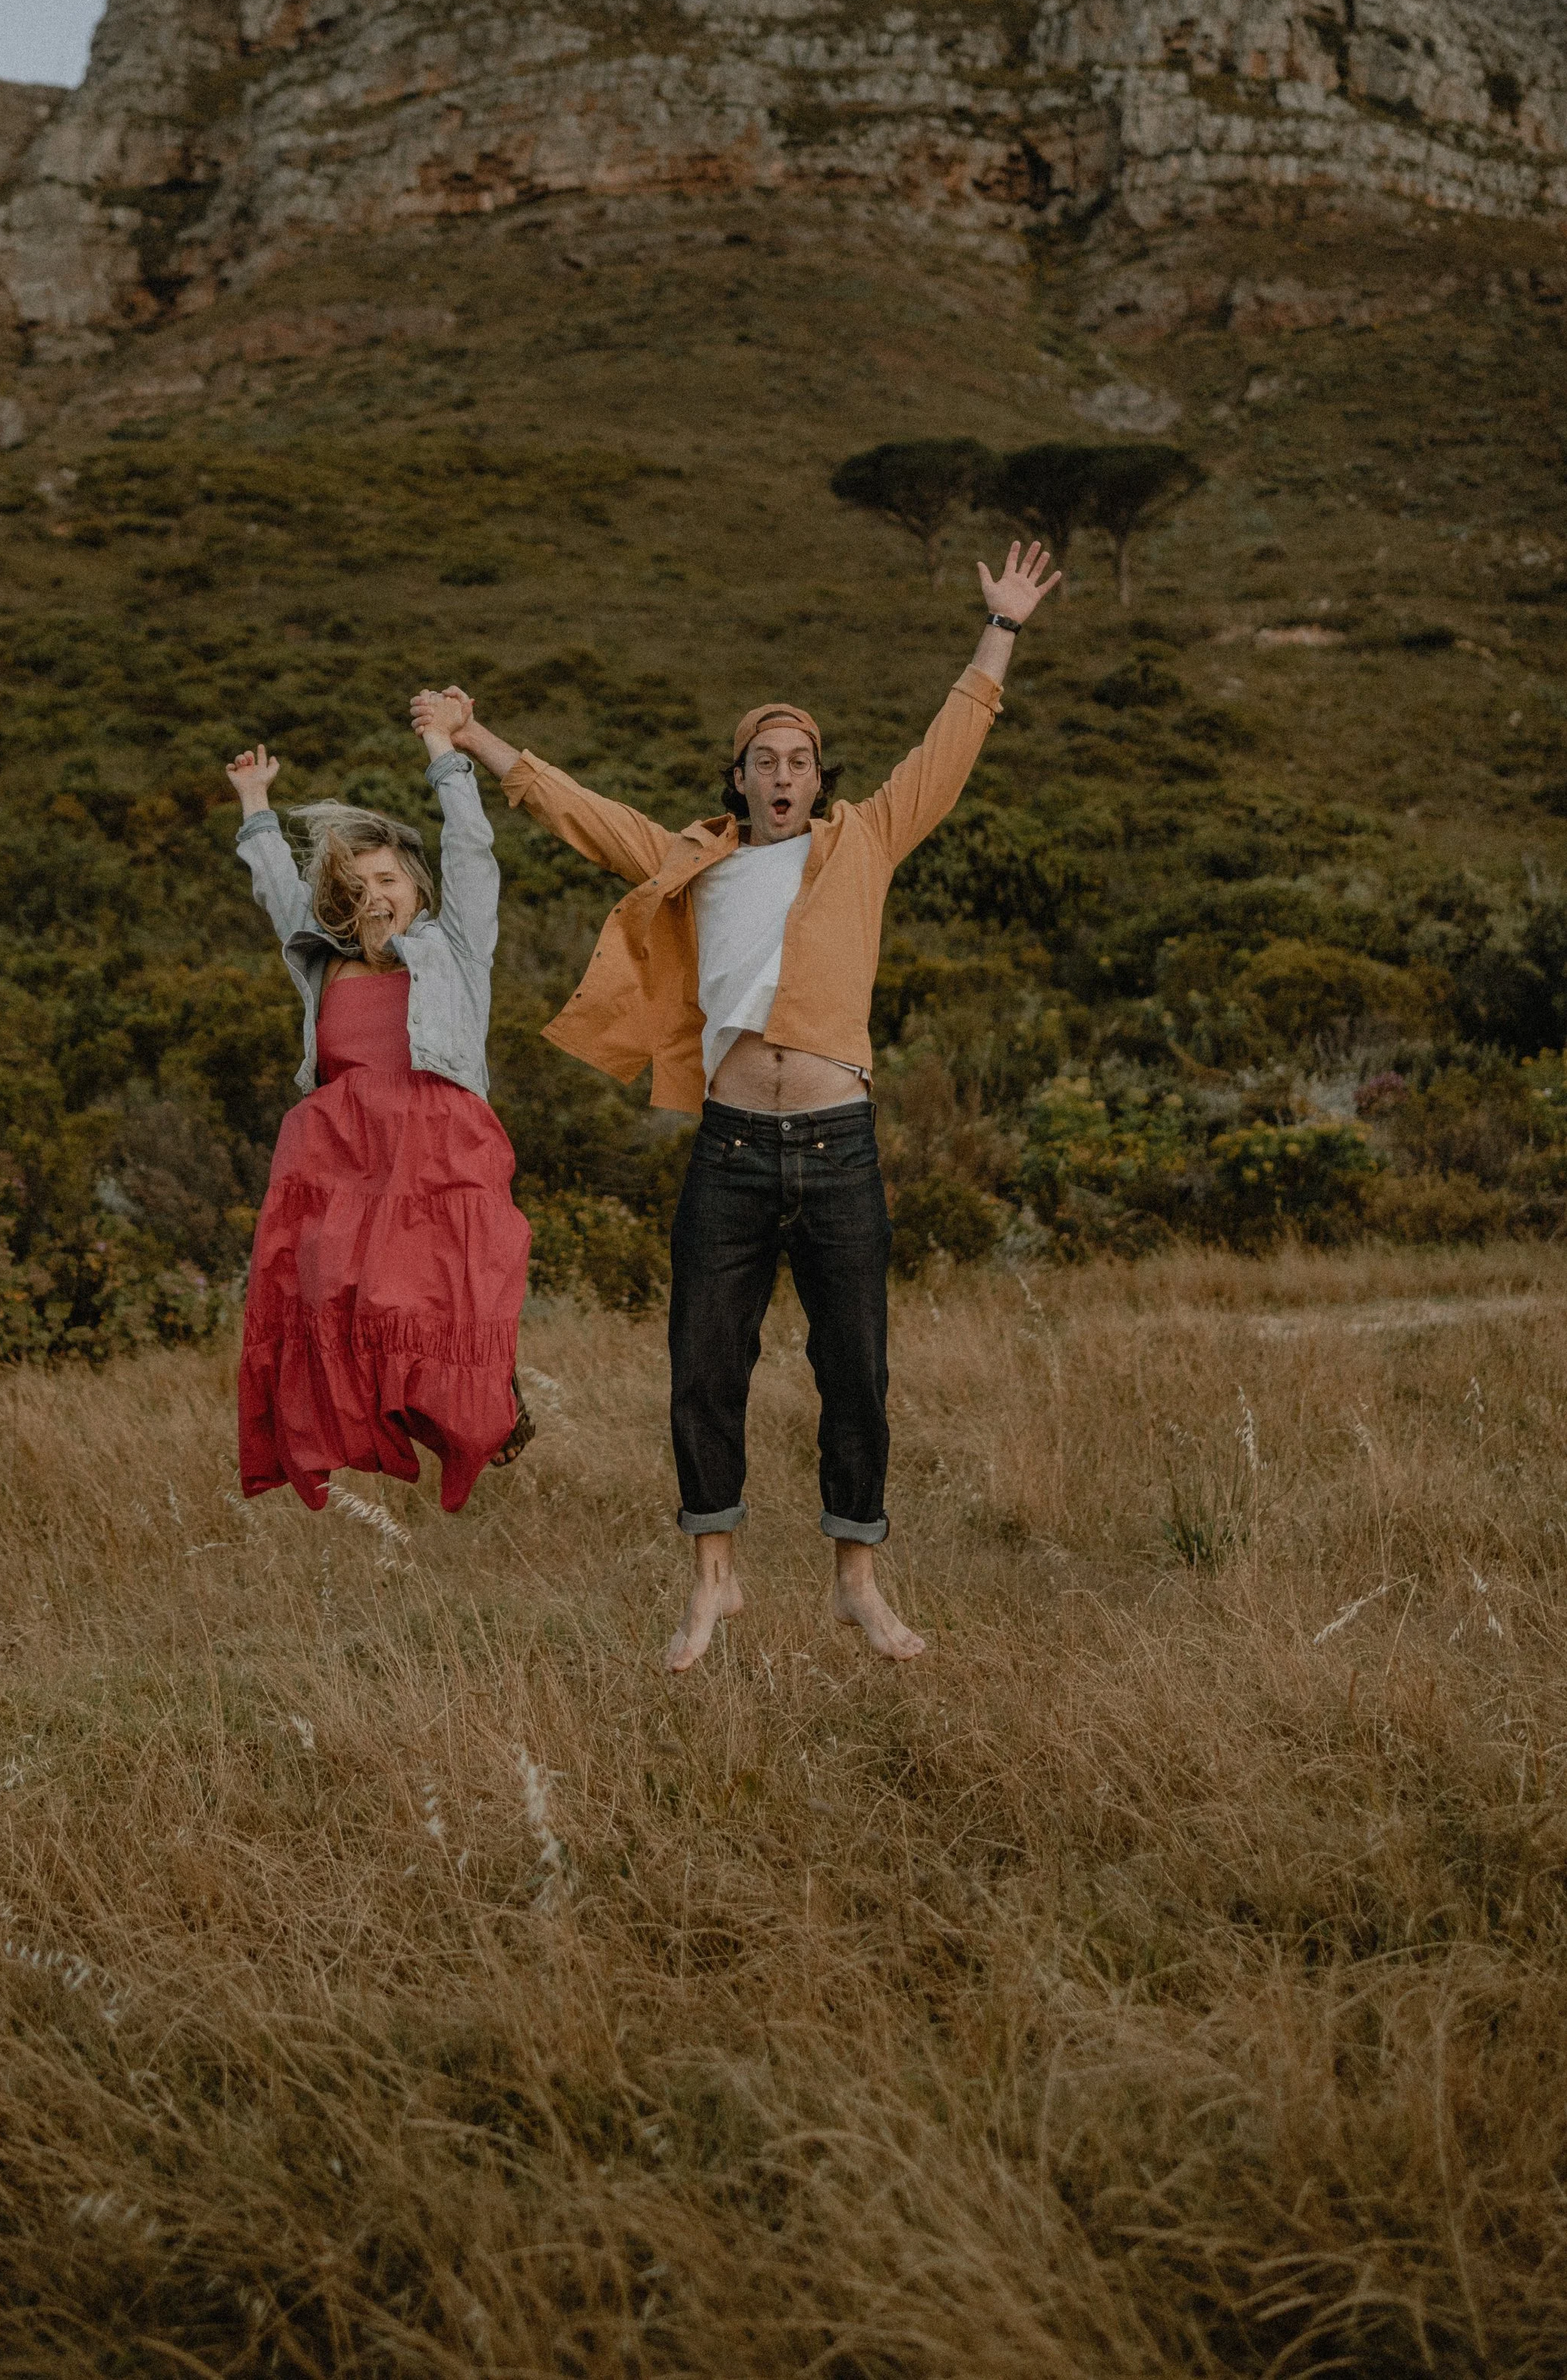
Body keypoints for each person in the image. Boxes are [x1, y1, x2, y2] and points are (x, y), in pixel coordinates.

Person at [438, 543, 1059, 1669]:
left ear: (820, 778)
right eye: (764, 760)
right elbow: (576, 813)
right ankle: (713, 1582)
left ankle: (857, 1580)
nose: (783, 773)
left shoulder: (863, 840)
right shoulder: (697, 860)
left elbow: (950, 746)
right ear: (736, 779)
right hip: (729, 1149)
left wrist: (1000, 629)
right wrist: (479, 738)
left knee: (854, 1366)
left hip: (840, 1145)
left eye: (801, 759)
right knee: (705, 1363)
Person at [224, 686, 532, 1518]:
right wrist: (256, 803)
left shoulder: (454, 947)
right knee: (332, 1299)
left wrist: (443, 750)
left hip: (436, 1142)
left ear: (416, 888)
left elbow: (471, 848)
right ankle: (360, 1434)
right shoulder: (318, 957)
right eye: (357, 884)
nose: (374, 895)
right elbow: (278, 893)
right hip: (342, 1154)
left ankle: (486, 1410)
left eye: (388, 878)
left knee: (429, 1299)